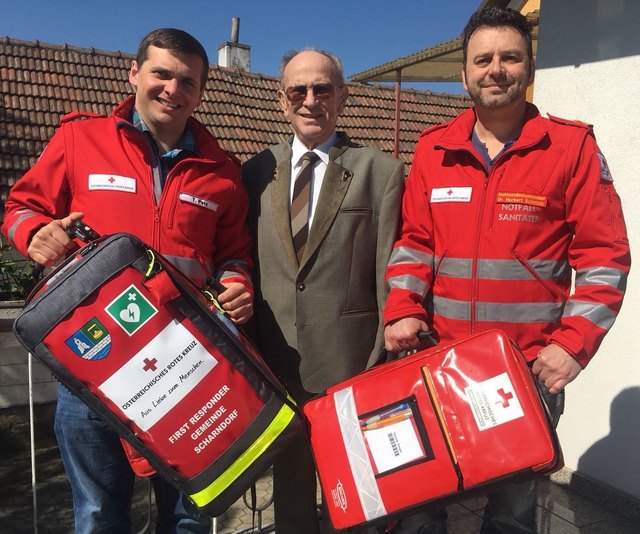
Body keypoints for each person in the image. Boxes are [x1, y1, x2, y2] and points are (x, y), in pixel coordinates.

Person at [383, 7, 630, 534]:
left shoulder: (571, 148)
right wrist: (402, 309)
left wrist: (572, 345)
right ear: (464, 73)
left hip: (526, 373)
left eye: (510, 57)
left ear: (529, 66)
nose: (496, 68)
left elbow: (604, 258)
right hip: (438, 366)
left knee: (511, 517)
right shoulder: (433, 150)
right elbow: (413, 245)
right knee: (420, 507)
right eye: (483, 59)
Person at [2, 28, 253, 533]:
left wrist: (237, 283)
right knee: (97, 514)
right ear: (135, 74)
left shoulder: (222, 172)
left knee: (191, 515)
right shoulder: (80, 138)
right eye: (161, 73)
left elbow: (235, 254)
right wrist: (34, 233)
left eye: (187, 81)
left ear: (201, 92)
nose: (172, 89)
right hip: (93, 362)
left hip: (186, 370)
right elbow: (19, 207)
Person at [242, 49, 405, 533]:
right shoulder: (253, 173)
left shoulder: (381, 172)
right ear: (282, 100)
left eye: (323, 88)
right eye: (299, 90)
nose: (310, 100)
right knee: (290, 495)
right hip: (275, 363)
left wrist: (381, 362)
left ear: (343, 96)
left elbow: (389, 274)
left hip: (351, 364)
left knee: (356, 494)